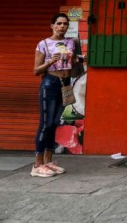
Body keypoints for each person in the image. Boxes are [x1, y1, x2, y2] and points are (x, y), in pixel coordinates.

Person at [32, 13, 82, 177]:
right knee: (45, 123)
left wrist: (76, 61)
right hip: (50, 84)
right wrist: (50, 62)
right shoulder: (44, 44)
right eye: (59, 23)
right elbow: (36, 70)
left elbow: (73, 69)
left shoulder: (71, 43)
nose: (62, 26)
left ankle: (48, 161)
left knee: (54, 123)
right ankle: (37, 165)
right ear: (52, 25)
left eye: (65, 24)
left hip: (65, 84)